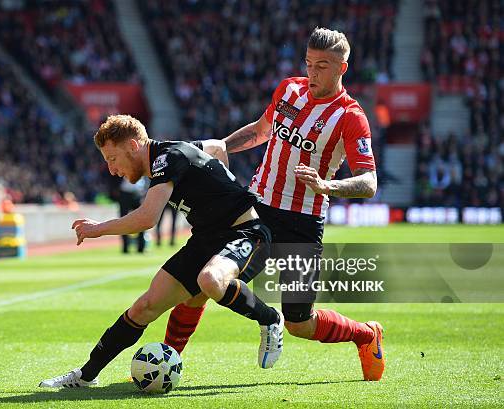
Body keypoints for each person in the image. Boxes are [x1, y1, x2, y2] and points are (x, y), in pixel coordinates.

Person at [163, 27, 386, 382]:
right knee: (201, 284)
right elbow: (261, 130)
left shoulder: (350, 116)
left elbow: (369, 182)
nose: (313, 73)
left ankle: (366, 335)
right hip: (257, 213)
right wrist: (221, 145)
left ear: (343, 67)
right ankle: (165, 361)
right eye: (310, 63)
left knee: (299, 322)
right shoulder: (289, 89)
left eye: (323, 66)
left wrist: (326, 184)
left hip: (303, 222)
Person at [39, 114, 284, 388]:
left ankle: (270, 319)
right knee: (144, 307)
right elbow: (216, 147)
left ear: (133, 146)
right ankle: (86, 375)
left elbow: (147, 219)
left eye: (112, 159)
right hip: (205, 239)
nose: (111, 169)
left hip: (247, 234)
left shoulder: (166, 158)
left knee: (210, 280)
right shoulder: (171, 153)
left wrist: (98, 229)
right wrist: (220, 182)